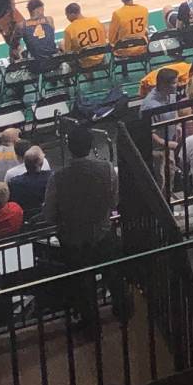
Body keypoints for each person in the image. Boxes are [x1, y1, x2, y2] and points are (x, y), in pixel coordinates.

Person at [49, 123, 128, 319]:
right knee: (115, 275)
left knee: (82, 285)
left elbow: (49, 213)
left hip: (73, 240)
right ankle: (124, 311)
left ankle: (89, 322)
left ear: (69, 147)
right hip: (103, 232)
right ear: (91, 144)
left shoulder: (58, 177)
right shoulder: (107, 169)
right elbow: (115, 200)